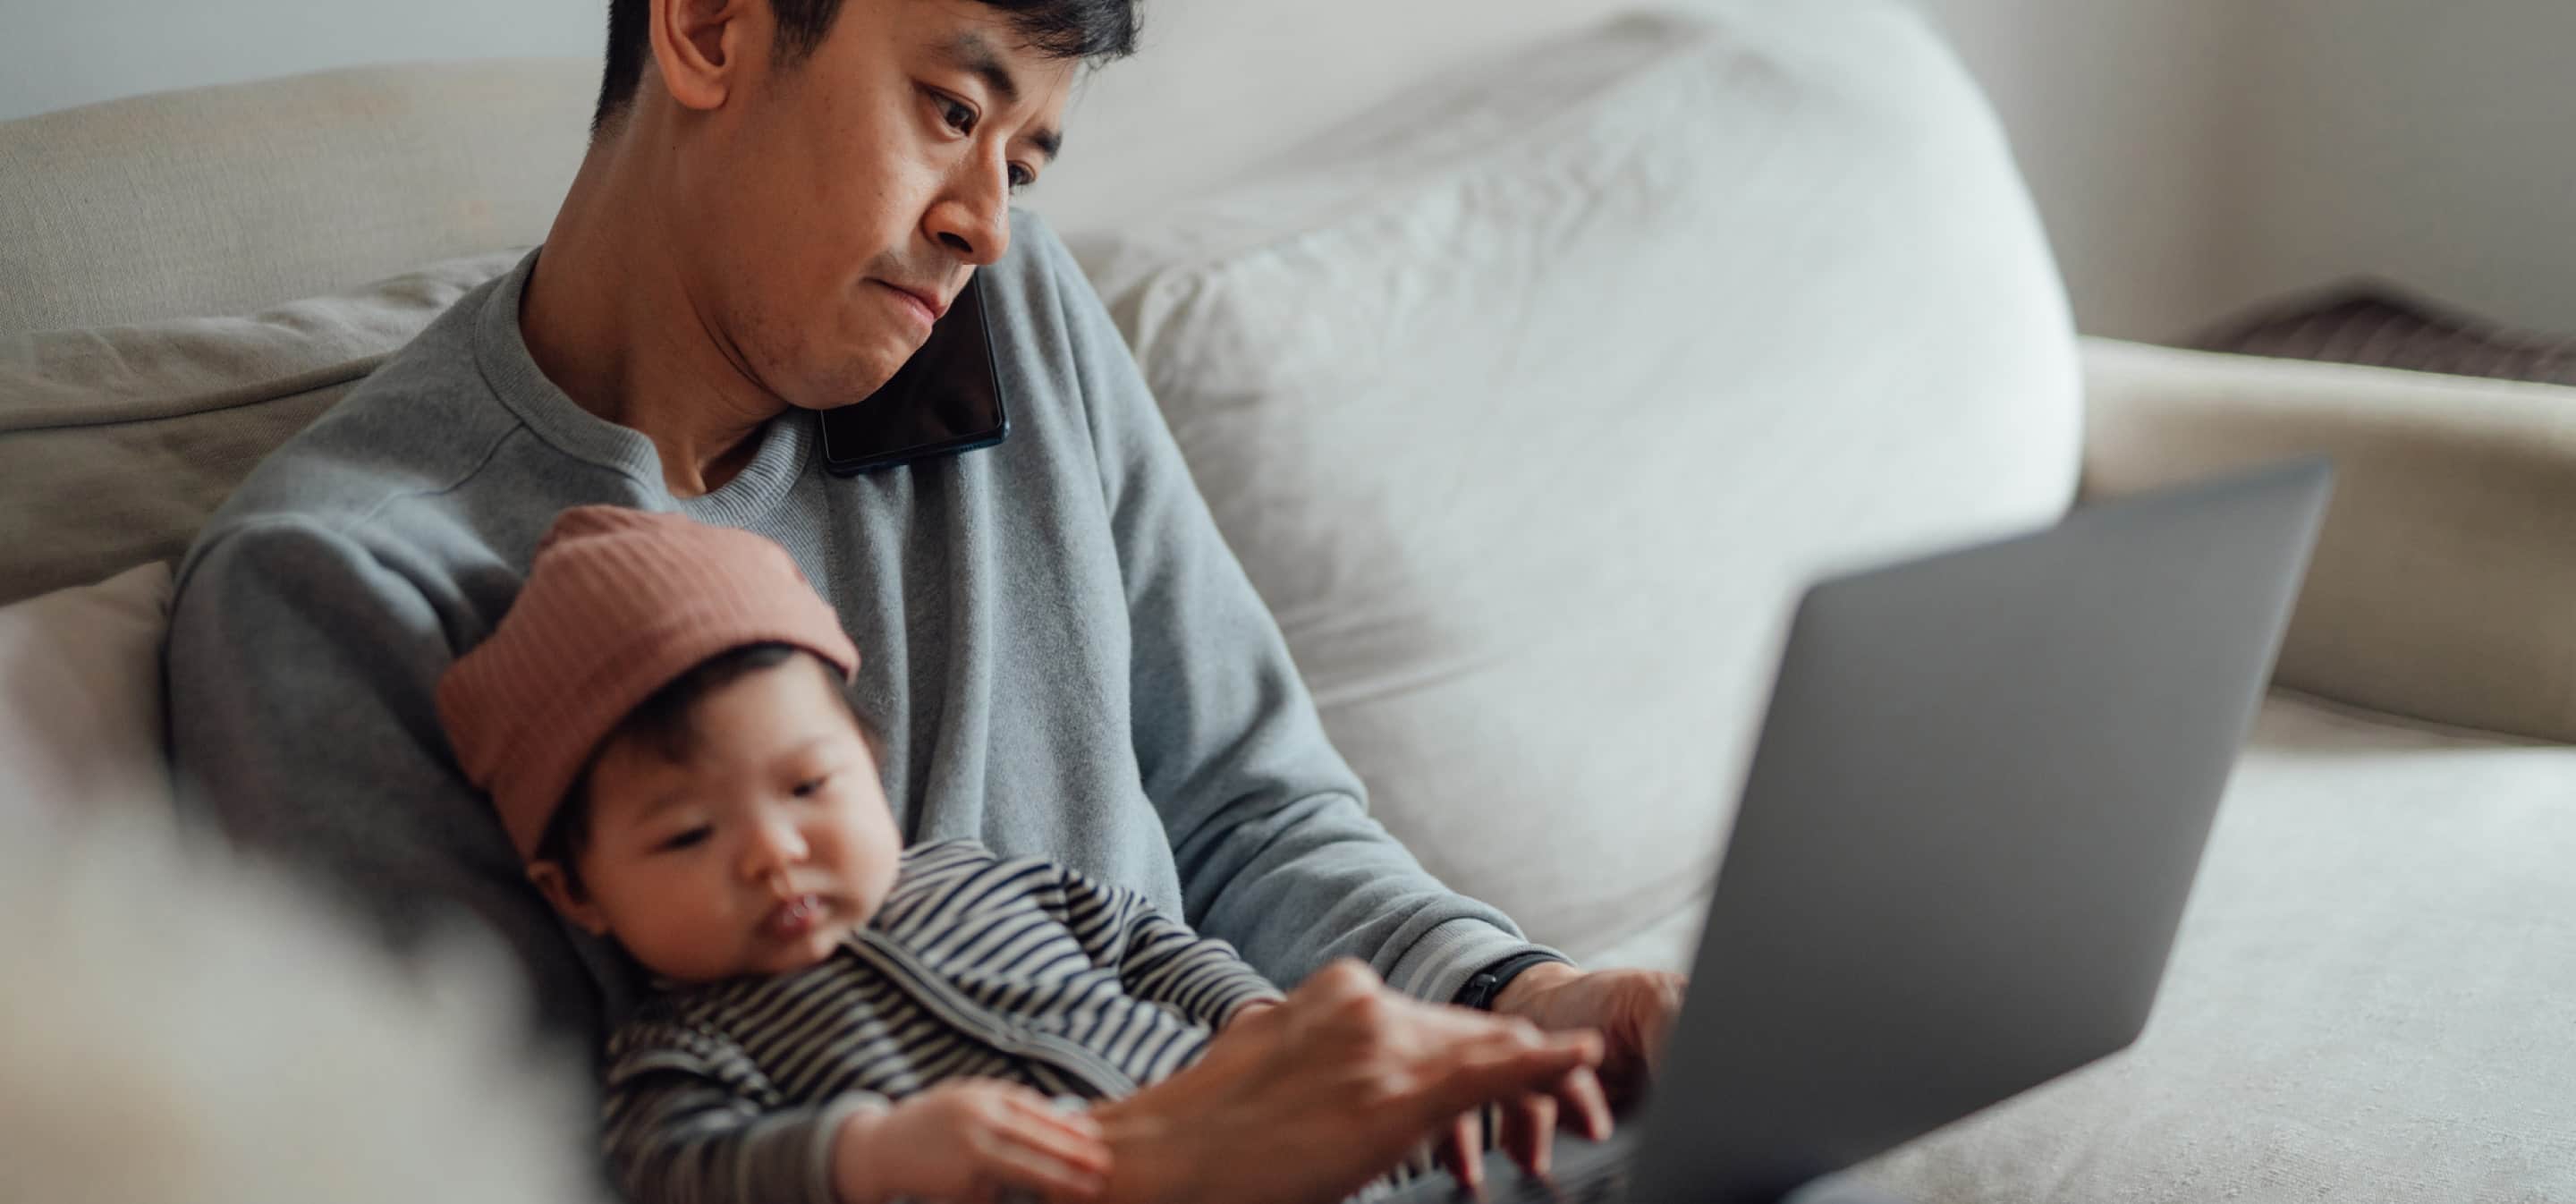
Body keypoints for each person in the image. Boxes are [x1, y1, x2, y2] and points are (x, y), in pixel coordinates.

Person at [164, 0, 1684, 1198]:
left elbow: (1250, 813)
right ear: (706, 27)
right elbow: (533, 1172)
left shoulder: (1004, 319)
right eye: (952, 110)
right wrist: (1148, 1172)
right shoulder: (340, 586)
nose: (986, 222)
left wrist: (1529, 1001)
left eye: (1021, 161)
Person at [436, 505, 1604, 1204]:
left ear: (869, 755)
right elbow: (685, 1172)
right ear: (575, 890)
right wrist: (871, 1151)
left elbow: (1148, 944)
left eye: (809, 785)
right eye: (688, 833)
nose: (774, 852)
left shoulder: (973, 873)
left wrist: (1257, 1023)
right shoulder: (678, 1050)